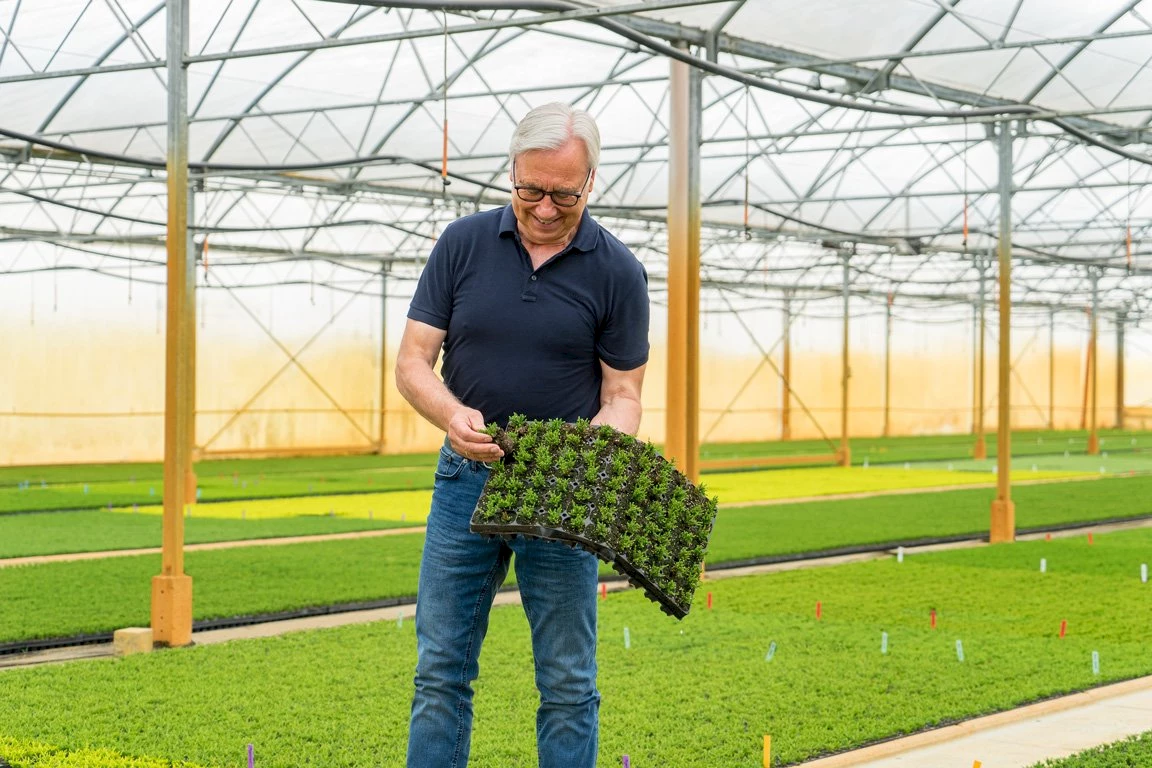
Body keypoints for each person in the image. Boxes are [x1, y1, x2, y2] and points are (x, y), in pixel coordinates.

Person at [396, 102, 650, 768]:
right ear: (511, 172)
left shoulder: (617, 272)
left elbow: (624, 396)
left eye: (563, 194)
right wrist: (450, 415)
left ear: (590, 183)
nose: (543, 207)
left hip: (557, 495)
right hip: (465, 484)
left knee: (567, 681)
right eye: (530, 189)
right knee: (440, 669)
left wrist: (587, 450)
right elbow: (412, 360)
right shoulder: (462, 244)